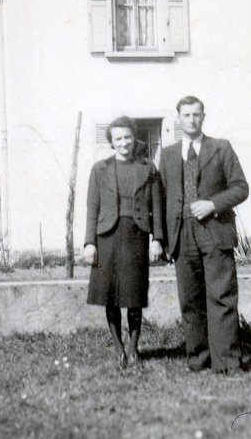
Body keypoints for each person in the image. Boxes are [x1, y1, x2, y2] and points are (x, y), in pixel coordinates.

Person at [159, 96, 249, 373]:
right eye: (186, 115)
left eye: (196, 114)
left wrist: (213, 204)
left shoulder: (221, 148)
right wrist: (161, 238)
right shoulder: (168, 154)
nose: (191, 120)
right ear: (179, 119)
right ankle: (198, 359)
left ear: (203, 116)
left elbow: (240, 188)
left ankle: (226, 362)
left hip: (215, 230)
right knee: (190, 299)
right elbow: (161, 197)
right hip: (181, 233)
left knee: (221, 296)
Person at [83, 116, 164, 367]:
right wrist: (89, 243)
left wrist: (157, 239)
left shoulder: (147, 168)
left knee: (134, 295)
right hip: (107, 236)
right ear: (111, 142)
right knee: (110, 295)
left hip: (136, 235)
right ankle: (118, 348)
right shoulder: (99, 169)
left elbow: (157, 207)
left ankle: (134, 348)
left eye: (128, 137)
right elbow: (92, 208)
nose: (124, 142)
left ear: (134, 138)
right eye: (118, 138)